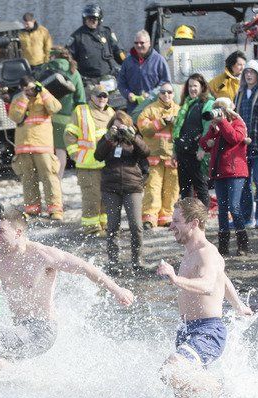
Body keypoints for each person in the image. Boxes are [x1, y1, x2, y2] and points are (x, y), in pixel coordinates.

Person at [0, 207, 134, 361]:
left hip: (42, 330)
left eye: (1, 232)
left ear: (18, 232)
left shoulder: (43, 255)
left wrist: (117, 289)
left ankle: (2, 388)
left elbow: (85, 268)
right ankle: (15, 388)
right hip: (20, 328)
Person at [156, 198, 252, 398]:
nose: (171, 226)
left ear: (194, 223)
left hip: (207, 331)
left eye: (177, 221)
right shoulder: (191, 250)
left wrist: (175, 279)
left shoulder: (206, 253)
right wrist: (238, 305)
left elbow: (208, 286)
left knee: (169, 370)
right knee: (183, 397)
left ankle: (225, 396)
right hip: (187, 329)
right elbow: (222, 278)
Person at [94, 110, 150, 274]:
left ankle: (137, 260)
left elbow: (146, 152)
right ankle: (113, 262)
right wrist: (108, 138)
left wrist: (132, 136)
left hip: (132, 187)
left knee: (136, 225)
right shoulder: (108, 140)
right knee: (112, 226)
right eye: (116, 127)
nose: (119, 131)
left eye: (122, 127)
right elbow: (98, 155)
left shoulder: (133, 140)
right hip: (110, 187)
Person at [9, 75, 64, 220]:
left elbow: (55, 107)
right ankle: (32, 209)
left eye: (32, 88)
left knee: (49, 177)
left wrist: (43, 91)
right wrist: (24, 98)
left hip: (42, 145)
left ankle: (55, 209)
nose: (30, 91)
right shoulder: (18, 99)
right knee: (28, 178)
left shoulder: (43, 97)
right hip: (24, 146)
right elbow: (15, 116)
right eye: (27, 89)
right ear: (22, 89)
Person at [199, 97, 249, 256]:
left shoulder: (238, 123)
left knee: (234, 207)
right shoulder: (217, 127)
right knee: (222, 209)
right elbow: (204, 144)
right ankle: (223, 246)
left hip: (235, 172)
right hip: (219, 173)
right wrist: (212, 131)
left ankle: (243, 243)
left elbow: (234, 138)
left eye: (221, 108)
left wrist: (222, 122)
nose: (218, 112)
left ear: (227, 110)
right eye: (216, 109)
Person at [64, 82, 114, 235]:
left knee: (106, 197)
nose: (102, 98)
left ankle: (104, 225)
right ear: (91, 97)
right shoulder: (81, 111)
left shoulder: (111, 112)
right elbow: (69, 134)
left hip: (106, 164)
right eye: (99, 95)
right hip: (87, 165)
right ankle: (91, 229)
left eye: (105, 95)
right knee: (91, 198)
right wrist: (76, 155)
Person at [137, 82, 180, 229]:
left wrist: (175, 122)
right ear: (159, 94)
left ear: (173, 94)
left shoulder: (179, 110)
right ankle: (149, 217)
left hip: (172, 156)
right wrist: (162, 122)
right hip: (154, 157)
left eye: (169, 92)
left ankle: (167, 217)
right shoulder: (150, 109)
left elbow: (183, 131)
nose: (166, 95)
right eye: (163, 92)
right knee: (152, 187)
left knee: (172, 188)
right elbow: (144, 129)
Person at [41, 46, 86, 180]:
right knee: (61, 151)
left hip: (45, 117)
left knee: (48, 151)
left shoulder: (46, 69)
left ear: (53, 56)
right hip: (65, 118)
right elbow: (80, 98)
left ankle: (48, 180)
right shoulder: (74, 72)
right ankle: (57, 180)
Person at [172, 73, 215, 208]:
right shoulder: (186, 104)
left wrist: (203, 149)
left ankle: (202, 220)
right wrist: (174, 151)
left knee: (201, 187)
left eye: (195, 86)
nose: (192, 89)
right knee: (185, 188)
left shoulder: (207, 103)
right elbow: (178, 130)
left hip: (197, 152)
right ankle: (189, 219)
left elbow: (208, 127)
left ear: (202, 87)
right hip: (183, 151)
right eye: (190, 86)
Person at [235, 59, 258, 229]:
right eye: (246, 72)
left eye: (252, 72)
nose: (249, 75)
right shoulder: (239, 94)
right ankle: (246, 218)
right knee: (244, 183)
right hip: (241, 146)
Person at [117, 30, 171, 115]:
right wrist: (127, 94)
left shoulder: (159, 60)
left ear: (149, 43)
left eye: (142, 43)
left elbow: (166, 83)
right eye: (136, 43)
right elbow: (121, 83)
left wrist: (150, 95)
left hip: (154, 108)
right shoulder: (127, 62)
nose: (139, 45)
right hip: (133, 109)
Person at [66, 4, 125, 81]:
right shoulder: (77, 36)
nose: (92, 21)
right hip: (87, 80)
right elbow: (67, 56)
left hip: (108, 77)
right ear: (84, 19)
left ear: (100, 19)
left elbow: (118, 52)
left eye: (94, 19)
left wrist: (127, 64)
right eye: (89, 19)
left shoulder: (107, 32)